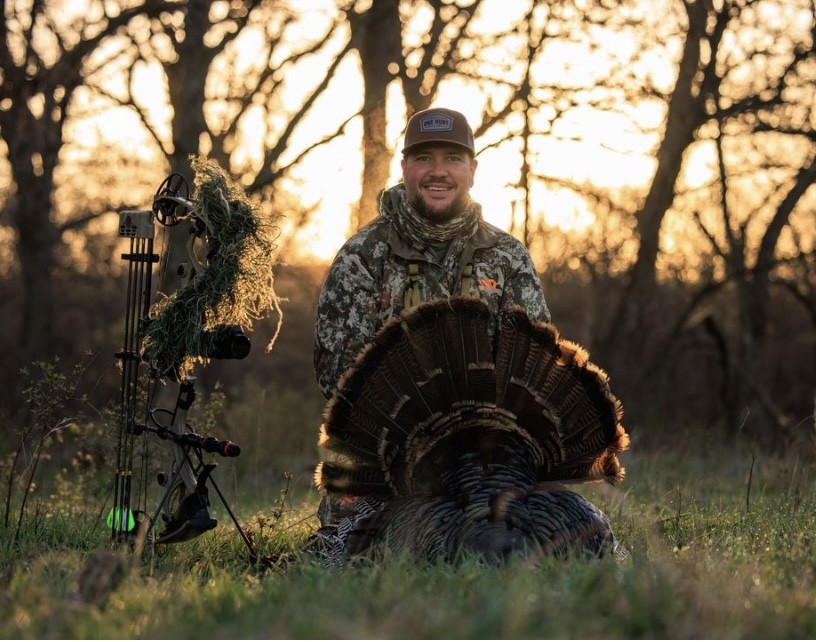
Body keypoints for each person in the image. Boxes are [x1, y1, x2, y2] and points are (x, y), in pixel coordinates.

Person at [311, 107, 551, 555]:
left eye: (453, 159)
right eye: (424, 158)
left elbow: (533, 370)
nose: (438, 172)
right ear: (404, 168)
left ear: (473, 170)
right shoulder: (362, 257)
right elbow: (338, 378)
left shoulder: (508, 257)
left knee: (543, 539)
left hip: (485, 456)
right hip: (386, 463)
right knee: (359, 554)